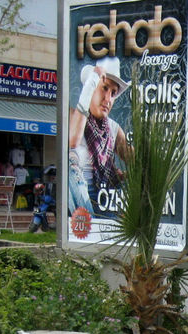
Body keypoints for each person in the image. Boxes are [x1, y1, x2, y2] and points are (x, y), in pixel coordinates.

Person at [68, 56, 131, 218]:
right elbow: (73, 140)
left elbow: (136, 160)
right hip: (81, 196)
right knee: (69, 164)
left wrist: (121, 176)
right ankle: (90, 223)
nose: (108, 99)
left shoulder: (113, 128)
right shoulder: (73, 116)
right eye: (104, 88)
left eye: (113, 93)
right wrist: (90, 84)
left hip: (106, 195)